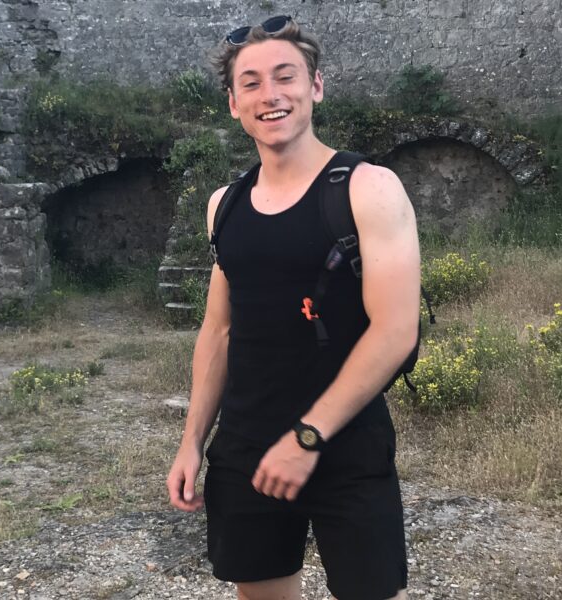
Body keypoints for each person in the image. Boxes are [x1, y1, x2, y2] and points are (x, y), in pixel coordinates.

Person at [167, 15, 420, 600]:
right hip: (246, 445)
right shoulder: (223, 205)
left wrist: (307, 438)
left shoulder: (367, 188)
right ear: (233, 103)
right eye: (251, 83)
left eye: (286, 77)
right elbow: (221, 331)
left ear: (316, 86)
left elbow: (395, 332)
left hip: (345, 444)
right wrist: (191, 441)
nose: (270, 95)